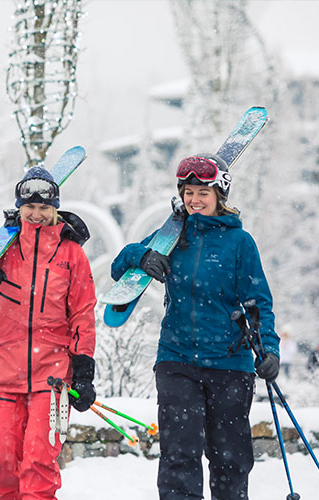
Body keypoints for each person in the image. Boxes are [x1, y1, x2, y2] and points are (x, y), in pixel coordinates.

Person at [110, 153, 280, 500]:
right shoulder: (173, 234)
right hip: (177, 361)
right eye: (188, 192)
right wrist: (139, 256)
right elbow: (119, 267)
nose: (194, 199)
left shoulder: (239, 243)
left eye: (203, 192)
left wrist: (269, 351)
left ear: (220, 196)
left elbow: (258, 302)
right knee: (179, 456)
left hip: (229, 365)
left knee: (230, 459)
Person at [0, 165, 97, 500]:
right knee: (0, 468)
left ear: (55, 208)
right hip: (3, 376)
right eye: (30, 207)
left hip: (53, 379)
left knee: (38, 470)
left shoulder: (71, 254)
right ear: (20, 207)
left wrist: (84, 371)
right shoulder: (3, 245)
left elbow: (83, 315)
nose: (37, 214)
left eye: (45, 208)